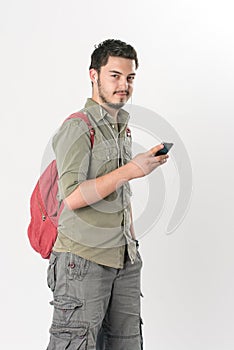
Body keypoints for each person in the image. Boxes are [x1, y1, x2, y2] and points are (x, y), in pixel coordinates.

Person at [46, 39, 169, 350]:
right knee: (74, 344)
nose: (123, 86)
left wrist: (132, 244)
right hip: (82, 260)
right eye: (114, 75)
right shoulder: (77, 127)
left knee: (127, 344)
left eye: (129, 78)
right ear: (93, 75)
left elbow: (118, 192)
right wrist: (131, 170)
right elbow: (72, 196)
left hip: (124, 259)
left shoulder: (121, 128)